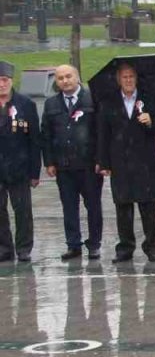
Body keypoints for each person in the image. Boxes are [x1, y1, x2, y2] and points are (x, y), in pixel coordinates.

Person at [97, 61, 155, 263]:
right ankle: (125, 248)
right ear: (118, 80)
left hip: (146, 162)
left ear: (137, 79)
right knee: (123, 207)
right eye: (124, 77)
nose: (128, 80)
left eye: (131, 77)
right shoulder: (108, 103)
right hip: (121, 163)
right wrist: (103, 162)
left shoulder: (150, 100)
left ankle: (152, 246)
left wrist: (151, 121)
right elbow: (103, 134)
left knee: (149, 208)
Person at [41, 64, 102, 261]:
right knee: (69, 207)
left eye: (68, 76)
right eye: (60, 78)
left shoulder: (92, 99)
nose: (65, 81)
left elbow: (101, 132)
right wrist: (49, 162)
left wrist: (101, 160)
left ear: (77, 77)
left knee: (93, 206)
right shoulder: (51, 104)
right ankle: (73, 244)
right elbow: (46, 135)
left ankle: (94, 244)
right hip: (63, 166)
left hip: (89, 165)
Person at [0, 61, 40, 262]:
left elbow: (34, 140)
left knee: (23, 211)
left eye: (4, 80)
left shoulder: (26, 105)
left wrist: (35, 172)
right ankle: (4, 248)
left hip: (20, 167)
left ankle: (24, 247)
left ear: (11, 80)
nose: (1, 84)